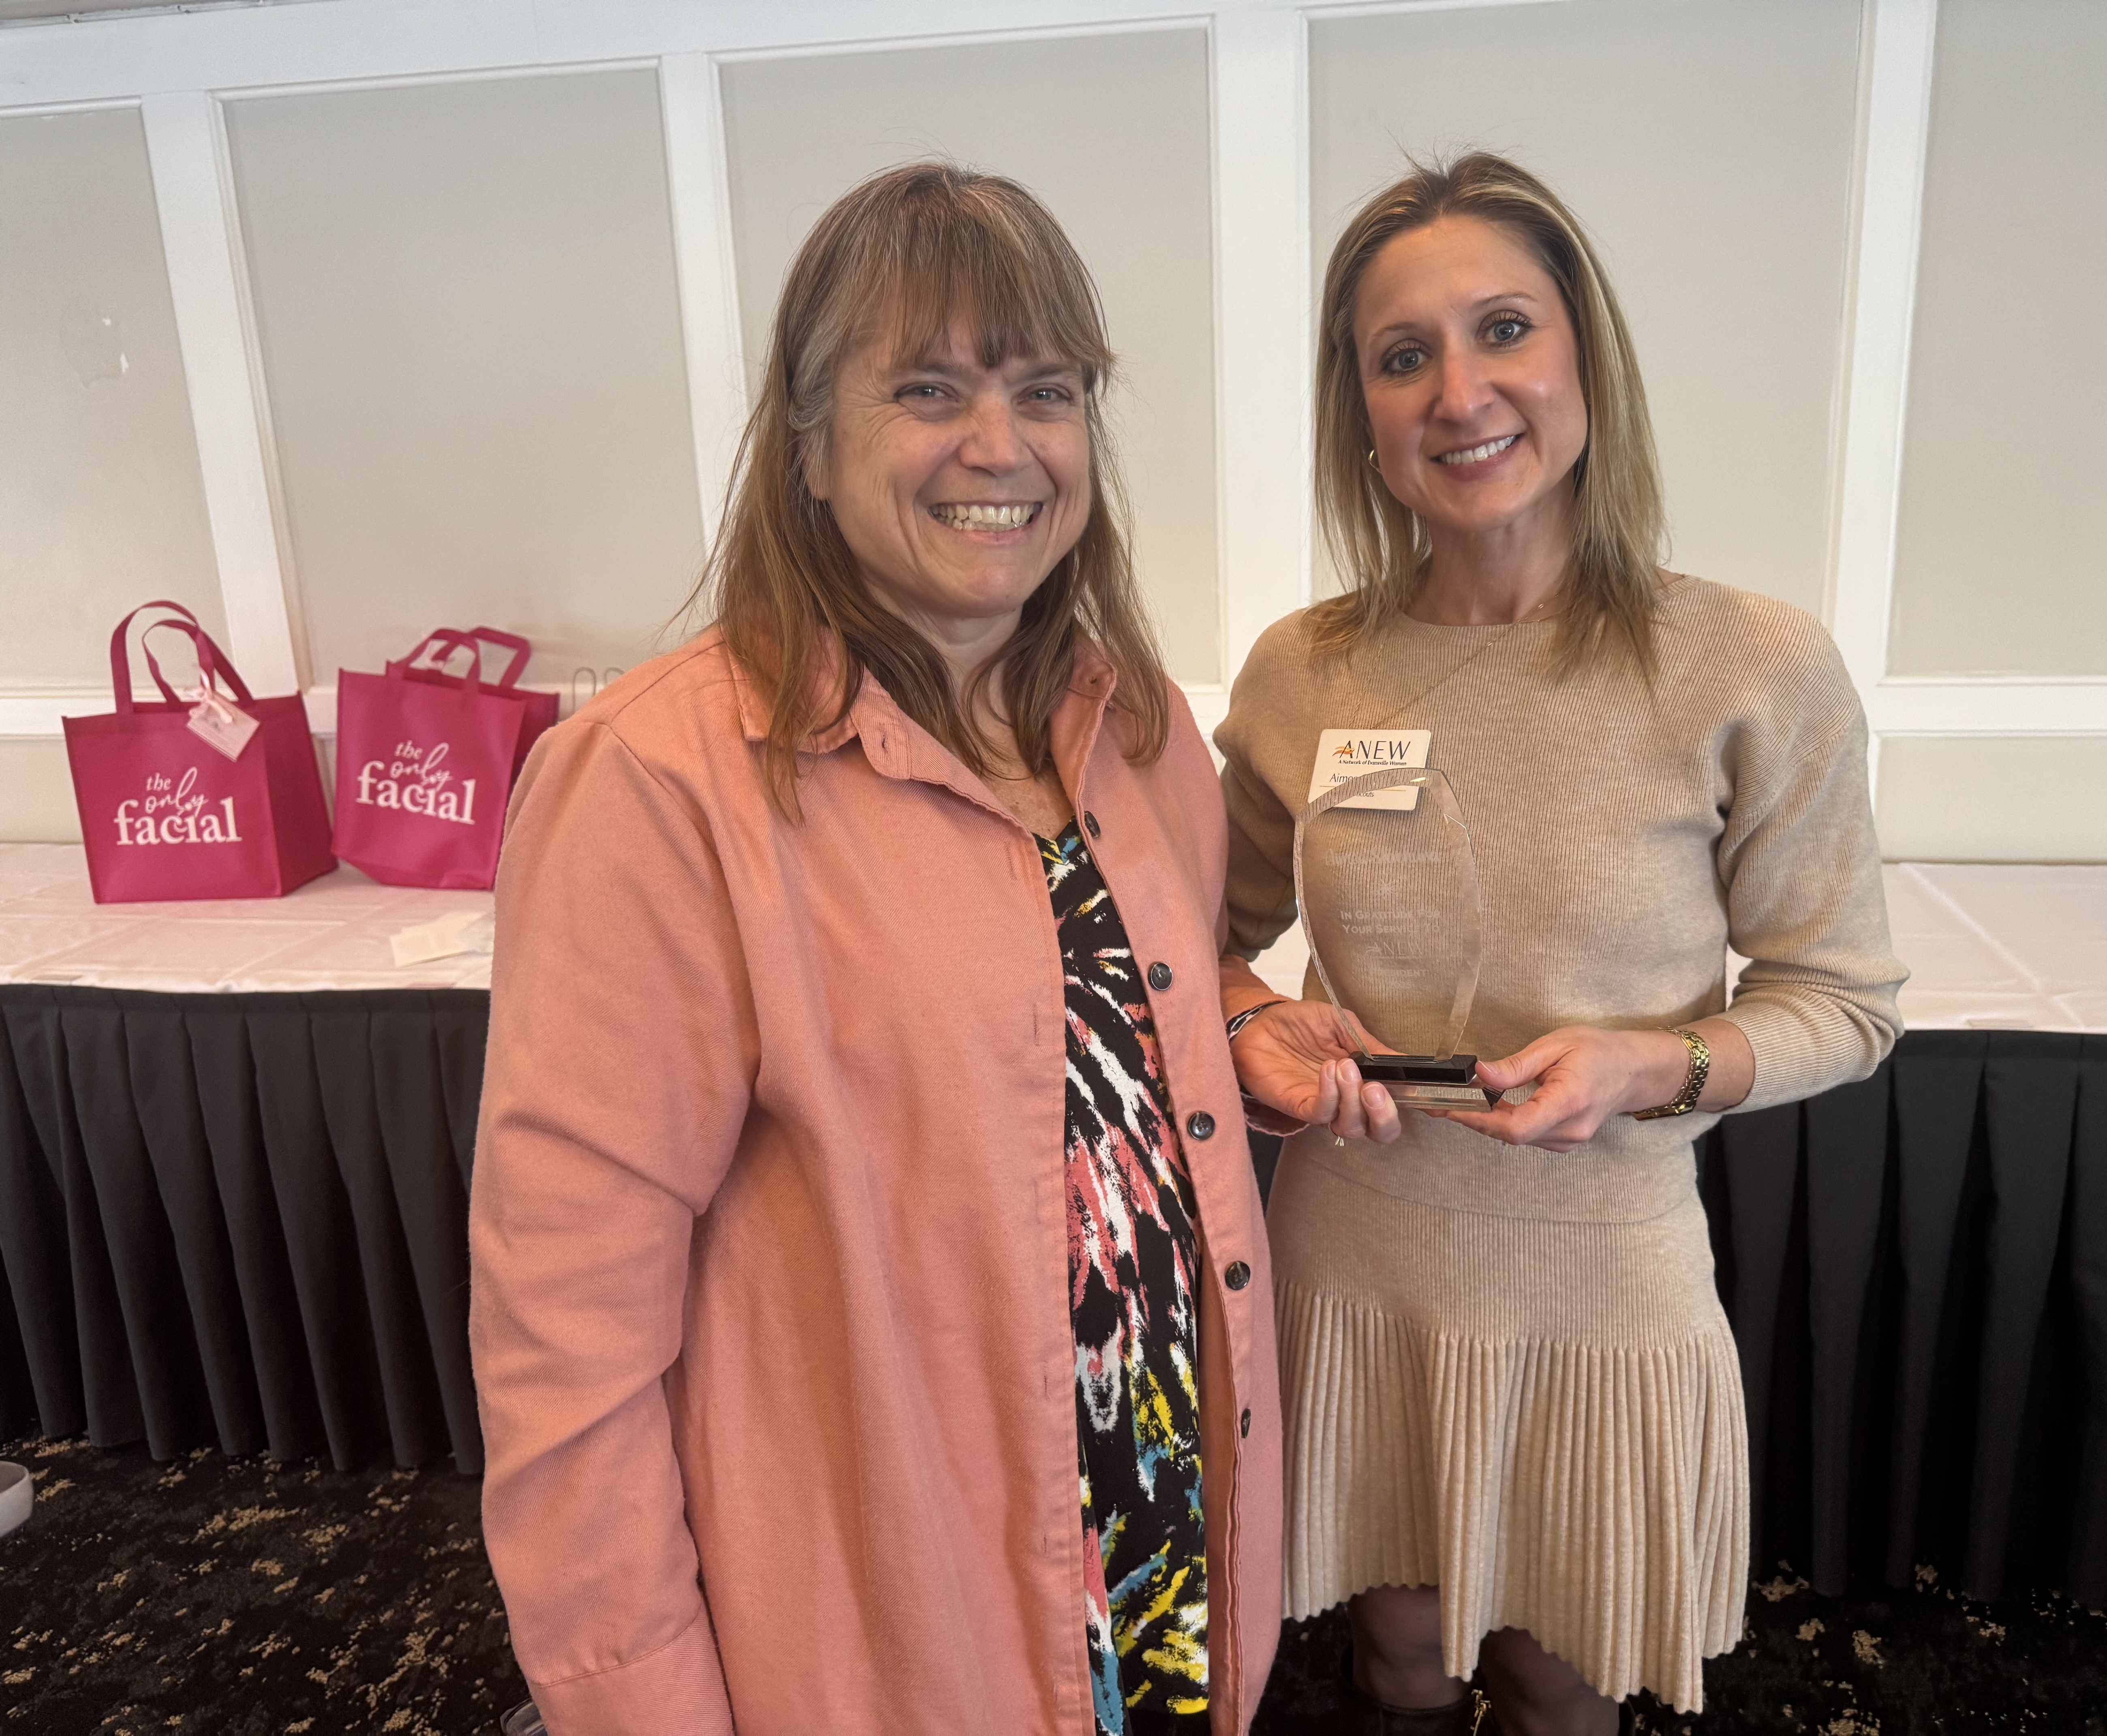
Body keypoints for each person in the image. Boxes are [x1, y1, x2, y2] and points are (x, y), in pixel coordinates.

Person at [470, 163, 1281, 1736]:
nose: (1001, 444)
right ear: (808, 444)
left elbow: (1102, 1028)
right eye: (927, 389)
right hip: (891, 1629)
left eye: (1046, 390)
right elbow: (566, 1345)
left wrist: (1246, 1027)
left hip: (1167, 1559)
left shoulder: (1139, 728)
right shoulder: (656, 783)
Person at [1214, 154, 1906, 1733]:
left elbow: (1846, 1003)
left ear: (1587, 354)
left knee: (1558, 1684)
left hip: (1601, 1283)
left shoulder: (1749, 664)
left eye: (1505, 329)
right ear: (1362, 412)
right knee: (1391, 1661)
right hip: (1358, 1262)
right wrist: (1254, 1025)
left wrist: (1653, 1064)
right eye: (1404, 355)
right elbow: (1194, 940)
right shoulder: (1305, 672)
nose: (1461, 393)